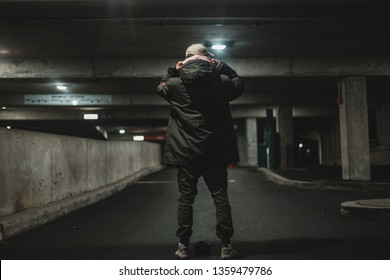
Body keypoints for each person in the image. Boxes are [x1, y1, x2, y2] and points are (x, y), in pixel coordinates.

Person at [156, 44, 244, 259]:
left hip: (186, 153)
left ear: (185, 59)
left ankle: (183, 246)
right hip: (215, 152)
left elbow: (160, 87)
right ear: (209, 59)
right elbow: (238, 84)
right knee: (220, 197)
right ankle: (226, 246)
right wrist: (223, 67)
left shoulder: (175, 85)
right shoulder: (222, 83)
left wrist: (172, 71)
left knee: (186, 199)